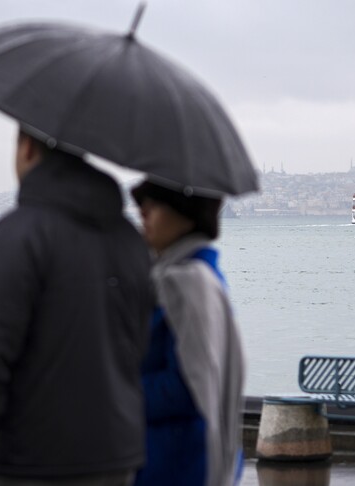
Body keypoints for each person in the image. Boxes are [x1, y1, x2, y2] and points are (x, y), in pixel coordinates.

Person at [0, 127, 153, 486]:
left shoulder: (18, 235)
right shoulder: (129, 239)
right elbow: (138, 344)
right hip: (117, 455)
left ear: (27, 148)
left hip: (33, 457)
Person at [130, 180, 246, 486]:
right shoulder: (182, 276)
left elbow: (189, 386)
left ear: (187, 213)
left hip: (177, 463)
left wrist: (115, 392)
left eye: (156, 203)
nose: (143, 212)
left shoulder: (185, 282)